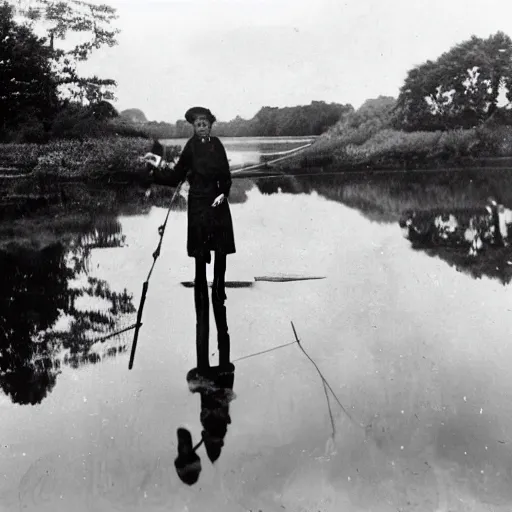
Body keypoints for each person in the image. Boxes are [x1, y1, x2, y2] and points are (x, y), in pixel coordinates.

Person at [143, 106, 235, 373]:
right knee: (199, 253)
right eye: (197, 124)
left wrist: (224, 193)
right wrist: (157, 166)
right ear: (193, 127)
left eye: (205, 123)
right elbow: (176, 175)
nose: (202, 127)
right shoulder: (190, 147)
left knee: (220, 249)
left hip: (217, 202)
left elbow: (226, 175)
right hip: (197, 203)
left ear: (211, 125)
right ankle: (200, 294)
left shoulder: (217, 145)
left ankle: (219, 289)